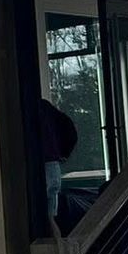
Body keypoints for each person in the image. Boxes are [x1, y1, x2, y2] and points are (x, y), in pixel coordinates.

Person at [40, 97, 79, 230]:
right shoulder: (45, 107)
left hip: (39, 166)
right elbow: (69, 129)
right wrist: (63, 154)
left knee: (39, 219)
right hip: (53, 166)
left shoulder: (23, 110)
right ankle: (58, 246)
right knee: (50, 219)